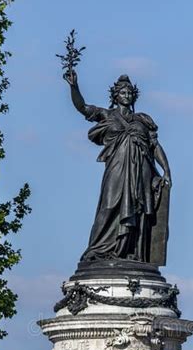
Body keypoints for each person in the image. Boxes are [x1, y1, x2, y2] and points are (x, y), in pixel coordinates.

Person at [64, 69, 172, 264]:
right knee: (109, 205)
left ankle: (131, 252)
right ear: (116, 95)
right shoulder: (107, 115)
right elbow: (83, 107)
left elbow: (154, 146)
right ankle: (97, 249)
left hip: (141, 171)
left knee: (137, 211)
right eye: (123, 92)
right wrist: (74, 87)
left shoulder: (143, 120)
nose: (127, 96)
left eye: (130, 93)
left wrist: (166, 170)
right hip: (117, 167)